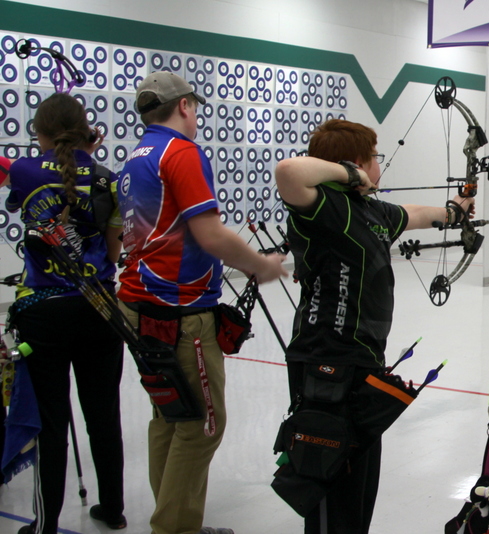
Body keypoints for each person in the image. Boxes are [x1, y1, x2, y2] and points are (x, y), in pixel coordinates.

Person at [275, 118, 475, 534]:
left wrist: (452, 211)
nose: (379, 165)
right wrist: (349, 173)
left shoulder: (368, 210)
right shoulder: (323, 208)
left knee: (357, 479)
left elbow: (414, 214)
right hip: (324, 360)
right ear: (356, 164)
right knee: (329, 477)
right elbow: (289, 172)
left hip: (362, 360)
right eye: (374, 158)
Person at [117, 71, 288, 534]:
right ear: (185, 106)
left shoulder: (136, 156)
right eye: (195, 107)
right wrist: (260, 265)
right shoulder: (182, 153)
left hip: (139, 305)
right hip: (179, 313)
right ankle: (173, 528)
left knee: (170, 415)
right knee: (204, 423)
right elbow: (209, 233)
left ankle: (176, 520)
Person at [4, 93, 127, 534]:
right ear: (85, 131)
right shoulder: (109, 179)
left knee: (52, 422)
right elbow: (114, 250)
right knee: (104, 415)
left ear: (39, 130)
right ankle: (113, 509)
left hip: (44, 312)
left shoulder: (25, 171)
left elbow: (23, 199)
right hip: (99, 309)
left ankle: (46, 526)